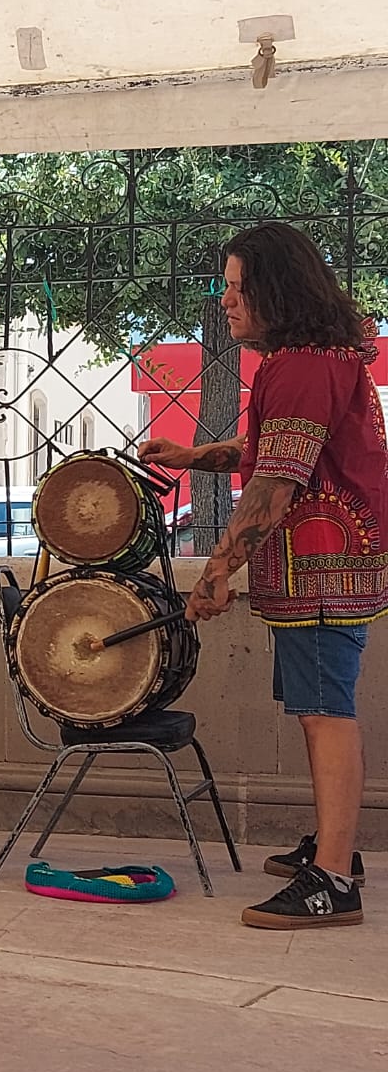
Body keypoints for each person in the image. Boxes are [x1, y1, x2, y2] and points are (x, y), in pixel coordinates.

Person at [140, 223, 388, 929]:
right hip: (326, 562)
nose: (225, 300)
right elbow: (269, 450)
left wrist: (217, 571)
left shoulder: (304, 366)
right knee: (320, 707)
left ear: (277, 290)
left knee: (325, 715)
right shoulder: (315, 358)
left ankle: (334, 877)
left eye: (237, 287)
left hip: (320, 566)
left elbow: (277, 479)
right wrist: (190, 457)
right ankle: (334, 848)